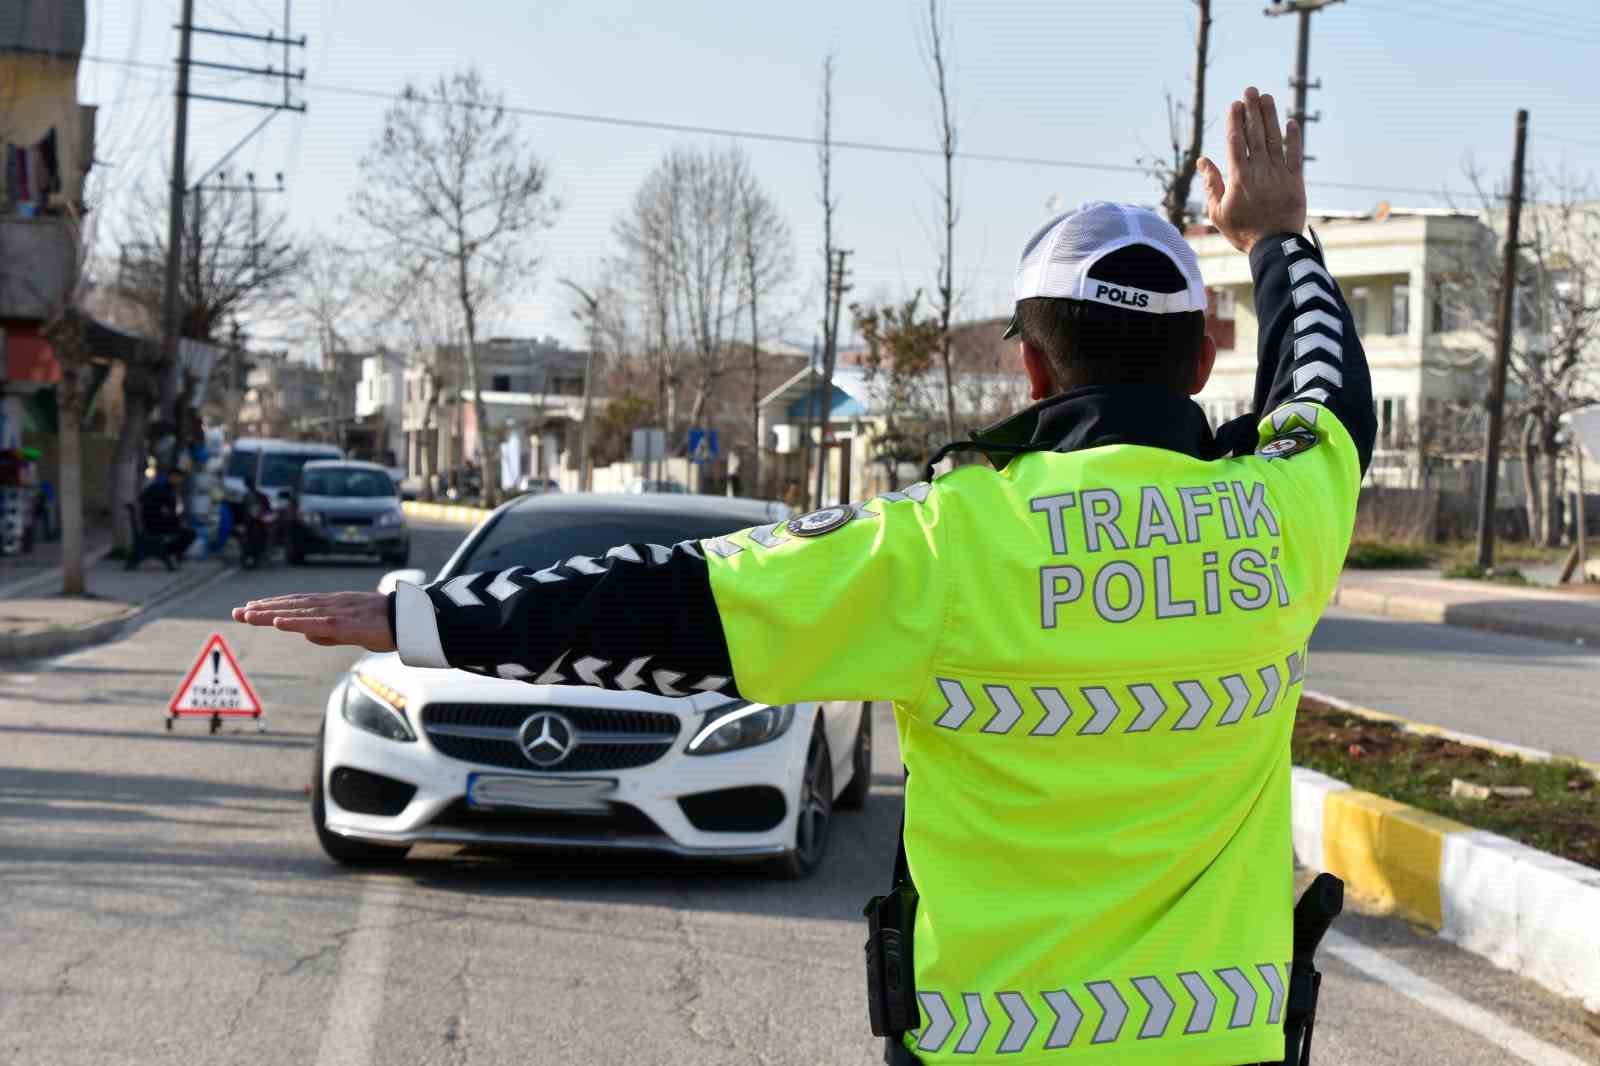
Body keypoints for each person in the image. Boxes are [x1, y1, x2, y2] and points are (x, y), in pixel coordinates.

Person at [235, 87, 1375, 1066]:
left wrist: (429, 616)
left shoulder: (945, 540)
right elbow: (1327, 392)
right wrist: (1276, 237)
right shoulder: (1283, 515)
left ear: (1031, 369)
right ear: (1204, 359)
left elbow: (672, 603)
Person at [130, 467, 197, 570]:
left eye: (180, 479)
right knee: (189, 534)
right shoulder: (161, 488)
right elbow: (163, 509)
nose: (179, 481)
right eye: (178, 478)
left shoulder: (167, 488)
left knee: (188, 532)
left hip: (158, 522)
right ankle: (165, 551)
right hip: (155, 524)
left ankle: (166, 551)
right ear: (172, 477)